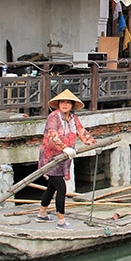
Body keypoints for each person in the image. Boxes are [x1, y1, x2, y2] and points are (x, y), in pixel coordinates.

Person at [36, 89, 96, 230]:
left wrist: (93, 143)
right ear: (58, 104)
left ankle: (41, 213)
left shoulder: (74, 118)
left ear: (72, 105)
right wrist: (64, 147)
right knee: (61, 188)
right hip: (51, 157)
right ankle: (61, 221)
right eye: (62, 102)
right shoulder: (54, 116)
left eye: (68, 103)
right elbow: (52, 135)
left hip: (64, 158)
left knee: (52, 187)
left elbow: (82, 132)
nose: (65, 105)